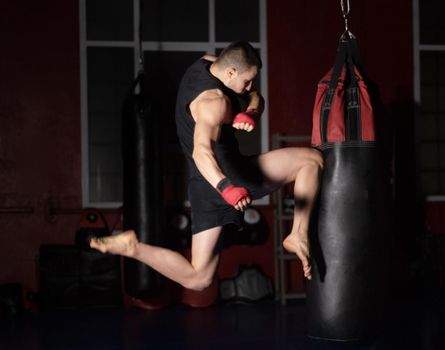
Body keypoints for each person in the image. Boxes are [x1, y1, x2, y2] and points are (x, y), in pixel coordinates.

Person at [90, 41, 323, 291]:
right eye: (247, 81)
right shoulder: (215, 102)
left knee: (198, 278)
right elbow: (200, 152)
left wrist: (252, 111)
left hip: (202, 187)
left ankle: (133, 248)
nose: (250, 86)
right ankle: (298, 233)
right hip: (229, 177)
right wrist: (226, 188)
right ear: (231, 73)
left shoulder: (206, 63)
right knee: (312, 160)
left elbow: (255, 95)